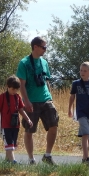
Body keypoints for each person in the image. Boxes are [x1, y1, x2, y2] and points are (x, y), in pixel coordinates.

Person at [16, 36, 59, 165]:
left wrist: (50, 97)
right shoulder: (24, 63)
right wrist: (26, 102)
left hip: (46, 99)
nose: (45, 50)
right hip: (31, 101)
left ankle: (47, 155)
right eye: (43, 47)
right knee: (29, 130)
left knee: (54, 125)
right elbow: (22, 85)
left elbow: (46, 81)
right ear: (35, 47)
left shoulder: (44, 62)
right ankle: (31, 159)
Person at [0, 75, 33, 163]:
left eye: (16, 89)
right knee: (9, 143)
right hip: (5, 125)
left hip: (15, 125)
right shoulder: (2, 97)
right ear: (7, 86)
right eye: (12, 89)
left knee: (12, 144)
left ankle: (7, 161)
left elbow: (21, 110)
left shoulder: (17, 97)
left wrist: (28, 119)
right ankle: (13, 161)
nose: (14, 91)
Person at [68, 62, 89, 167]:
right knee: (85, 133)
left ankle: (84, 158)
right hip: (81, 112)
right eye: (81, 70)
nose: (82, 72)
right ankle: (87, 157)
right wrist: (70, 109)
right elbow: (72, 96)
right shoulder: (76, 83)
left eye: (85, 71)